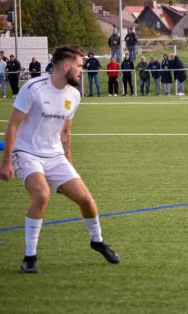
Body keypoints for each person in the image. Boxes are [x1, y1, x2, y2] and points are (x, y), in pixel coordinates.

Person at [0, 46, 120, 273]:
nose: (81, 71)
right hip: (26, 153)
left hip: (55, 156)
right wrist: (6, 162)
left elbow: (65, 134)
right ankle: (30, 257)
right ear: (65, 66)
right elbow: (13, 124)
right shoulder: (33, 88)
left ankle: (97, 240)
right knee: (42, 194)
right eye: (79, 66)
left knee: (86, 199)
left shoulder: (74, 95)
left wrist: (69, 165)